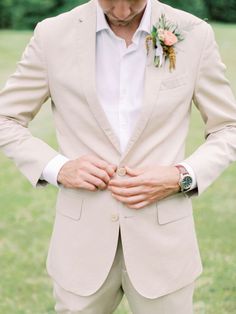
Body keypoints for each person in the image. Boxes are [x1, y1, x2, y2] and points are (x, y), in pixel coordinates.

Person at [0, 0, 236, 313]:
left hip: (164, 249)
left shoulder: (194, 34)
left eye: (134, 1)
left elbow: (228, 128)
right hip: (81, 249)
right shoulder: (52, 35)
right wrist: (57, 168)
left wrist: (182, 175)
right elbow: (6, 118)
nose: (123, 12)